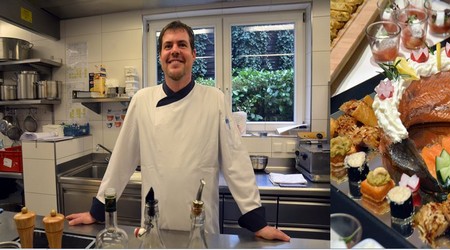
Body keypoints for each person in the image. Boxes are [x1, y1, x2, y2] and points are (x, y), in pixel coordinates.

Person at [65, 20, 290, 242]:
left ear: (193, 54)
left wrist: (257, 222)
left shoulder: (215, 100)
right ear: (161, 57)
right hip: (155, 227)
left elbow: (235, 161)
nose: (174, 51)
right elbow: (121, 160)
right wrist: (97, 211)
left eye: (181, 45)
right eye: (168, 46)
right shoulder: (142, 100)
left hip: (201, 228)